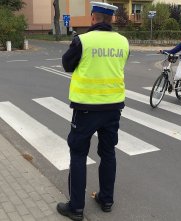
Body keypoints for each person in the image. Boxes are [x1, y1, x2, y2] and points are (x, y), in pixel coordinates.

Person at [56, 2, 129, 221]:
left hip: (86, 109)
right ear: (112, 19)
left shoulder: (83, 40)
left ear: (93, 18)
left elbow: (67, 64)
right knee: (108, 153)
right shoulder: (123, 42)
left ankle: (76, 208)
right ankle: (106, 199)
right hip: (113, 108)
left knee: (78, 154)